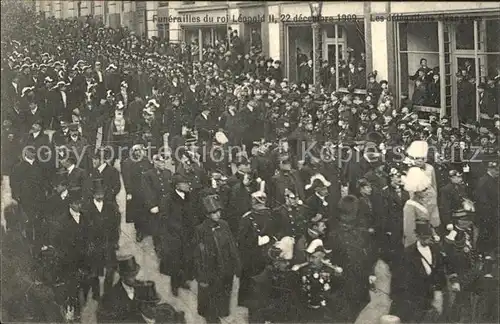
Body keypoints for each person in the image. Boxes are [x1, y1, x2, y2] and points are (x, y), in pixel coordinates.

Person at [193, 194, 241, 323]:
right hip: (212, 271)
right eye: (214, 212)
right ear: (207, 214)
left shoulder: (224, 225)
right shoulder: (201, 230)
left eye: (218, 211)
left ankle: (221, 311)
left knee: (225, 293)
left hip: (226, 268)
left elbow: (231, 246)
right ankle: (212, 318)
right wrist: (202, 276)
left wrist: (236, 265)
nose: (218, 214)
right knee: (211, 297)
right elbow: (198, 255)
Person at [390, 222, 446, 323]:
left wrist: (438, 289)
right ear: (417, 236)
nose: (427, 240)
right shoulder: (408, 253)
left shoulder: (436, 250)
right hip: (415, 295)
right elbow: (401, 277)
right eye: (424, 237)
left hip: (432, 293)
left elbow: (440, 270)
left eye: (429, 237)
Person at [248, 236, 300, 323]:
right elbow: (257, 312)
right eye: (284, 261)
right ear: (276, 263)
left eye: (288, 262)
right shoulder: (261, 280)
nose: (288, 264)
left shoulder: (286, 276)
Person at [293, 239, 343, 322]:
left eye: (314, 257)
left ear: (322, 257)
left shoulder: (331, 272)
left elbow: (337, 293)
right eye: (308, 257)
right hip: (305, 313)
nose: (310, 260)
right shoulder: (302, 270)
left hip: (325, 314)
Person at [97, 254, 141, 323]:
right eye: (130, 276)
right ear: (122, 276)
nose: (134, 279)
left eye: (134, 275)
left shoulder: (141, 288)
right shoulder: (110, 296)